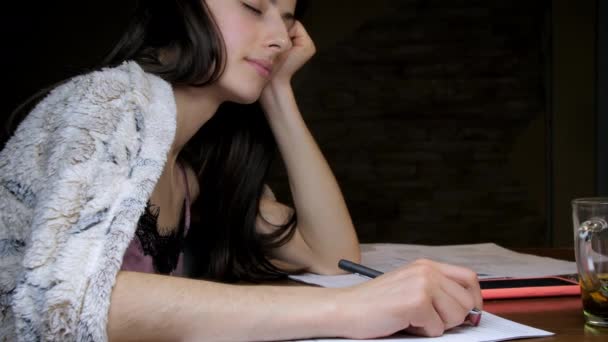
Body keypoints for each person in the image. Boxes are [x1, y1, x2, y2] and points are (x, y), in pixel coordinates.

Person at [0, 0, 483, 340]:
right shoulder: (105, 103)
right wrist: (350, 309)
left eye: (287, 21)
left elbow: (332, 258)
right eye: (253, 7)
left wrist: (277, 91)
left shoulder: (193, 166)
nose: (277, 38)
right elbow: (64, 304)